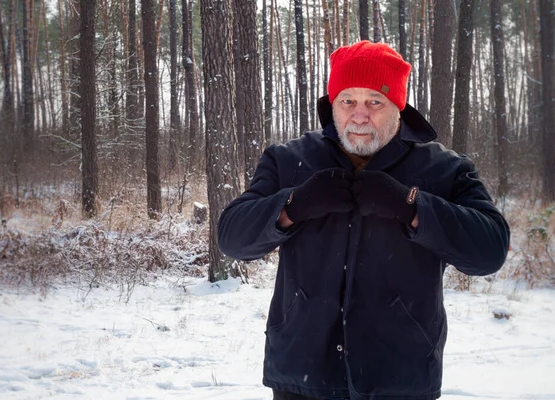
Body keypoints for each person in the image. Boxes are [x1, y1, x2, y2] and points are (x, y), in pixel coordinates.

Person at [217, 40, 510, 400]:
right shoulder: (288, 159)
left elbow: (490, 250)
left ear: (398, 106)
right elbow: (231, 237)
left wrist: (412, 207)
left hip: (400, 377)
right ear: (333, 104)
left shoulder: (445, 168)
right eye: (347, 101)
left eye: (374, 101)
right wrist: (293, 205)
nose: (359, 115)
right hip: (302, 374)